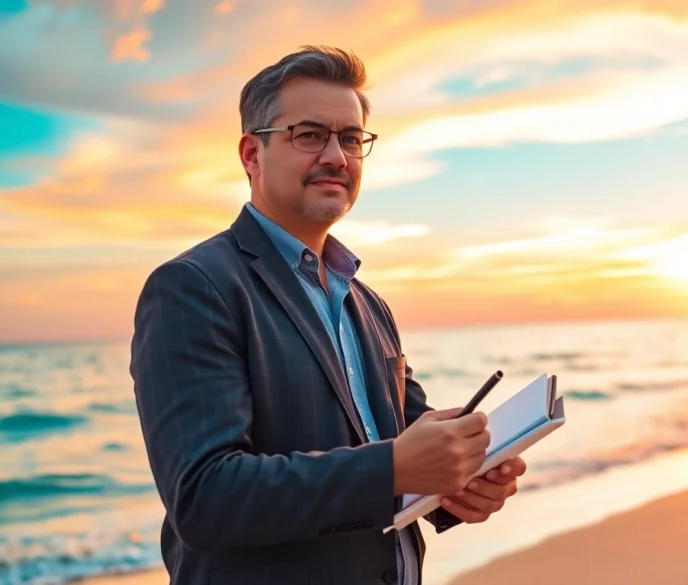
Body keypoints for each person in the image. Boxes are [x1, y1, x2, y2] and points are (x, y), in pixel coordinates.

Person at [129, 45, 527, 585]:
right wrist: (395, 466)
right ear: (251, 154)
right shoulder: (193, 287)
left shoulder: (366, 302)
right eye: (309, 134)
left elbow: (399, 449)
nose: (337, 156)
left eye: (350, 138)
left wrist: (457, 483)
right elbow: (205, 498)